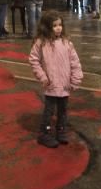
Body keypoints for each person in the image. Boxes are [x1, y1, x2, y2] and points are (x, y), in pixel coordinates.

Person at [28, 15, 84, 148]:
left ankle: (61, 130)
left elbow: (75, 62)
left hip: (65, 84)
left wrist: (75, 79)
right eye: (54, 26)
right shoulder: (41, 43)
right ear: (46, 27)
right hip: (51, 85)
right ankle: (44, 133)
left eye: (60, 25)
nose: (58, 28)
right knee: (49, 111)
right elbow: (33, 60)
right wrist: (42, 77)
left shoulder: (67, 43)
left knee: (63, 110)